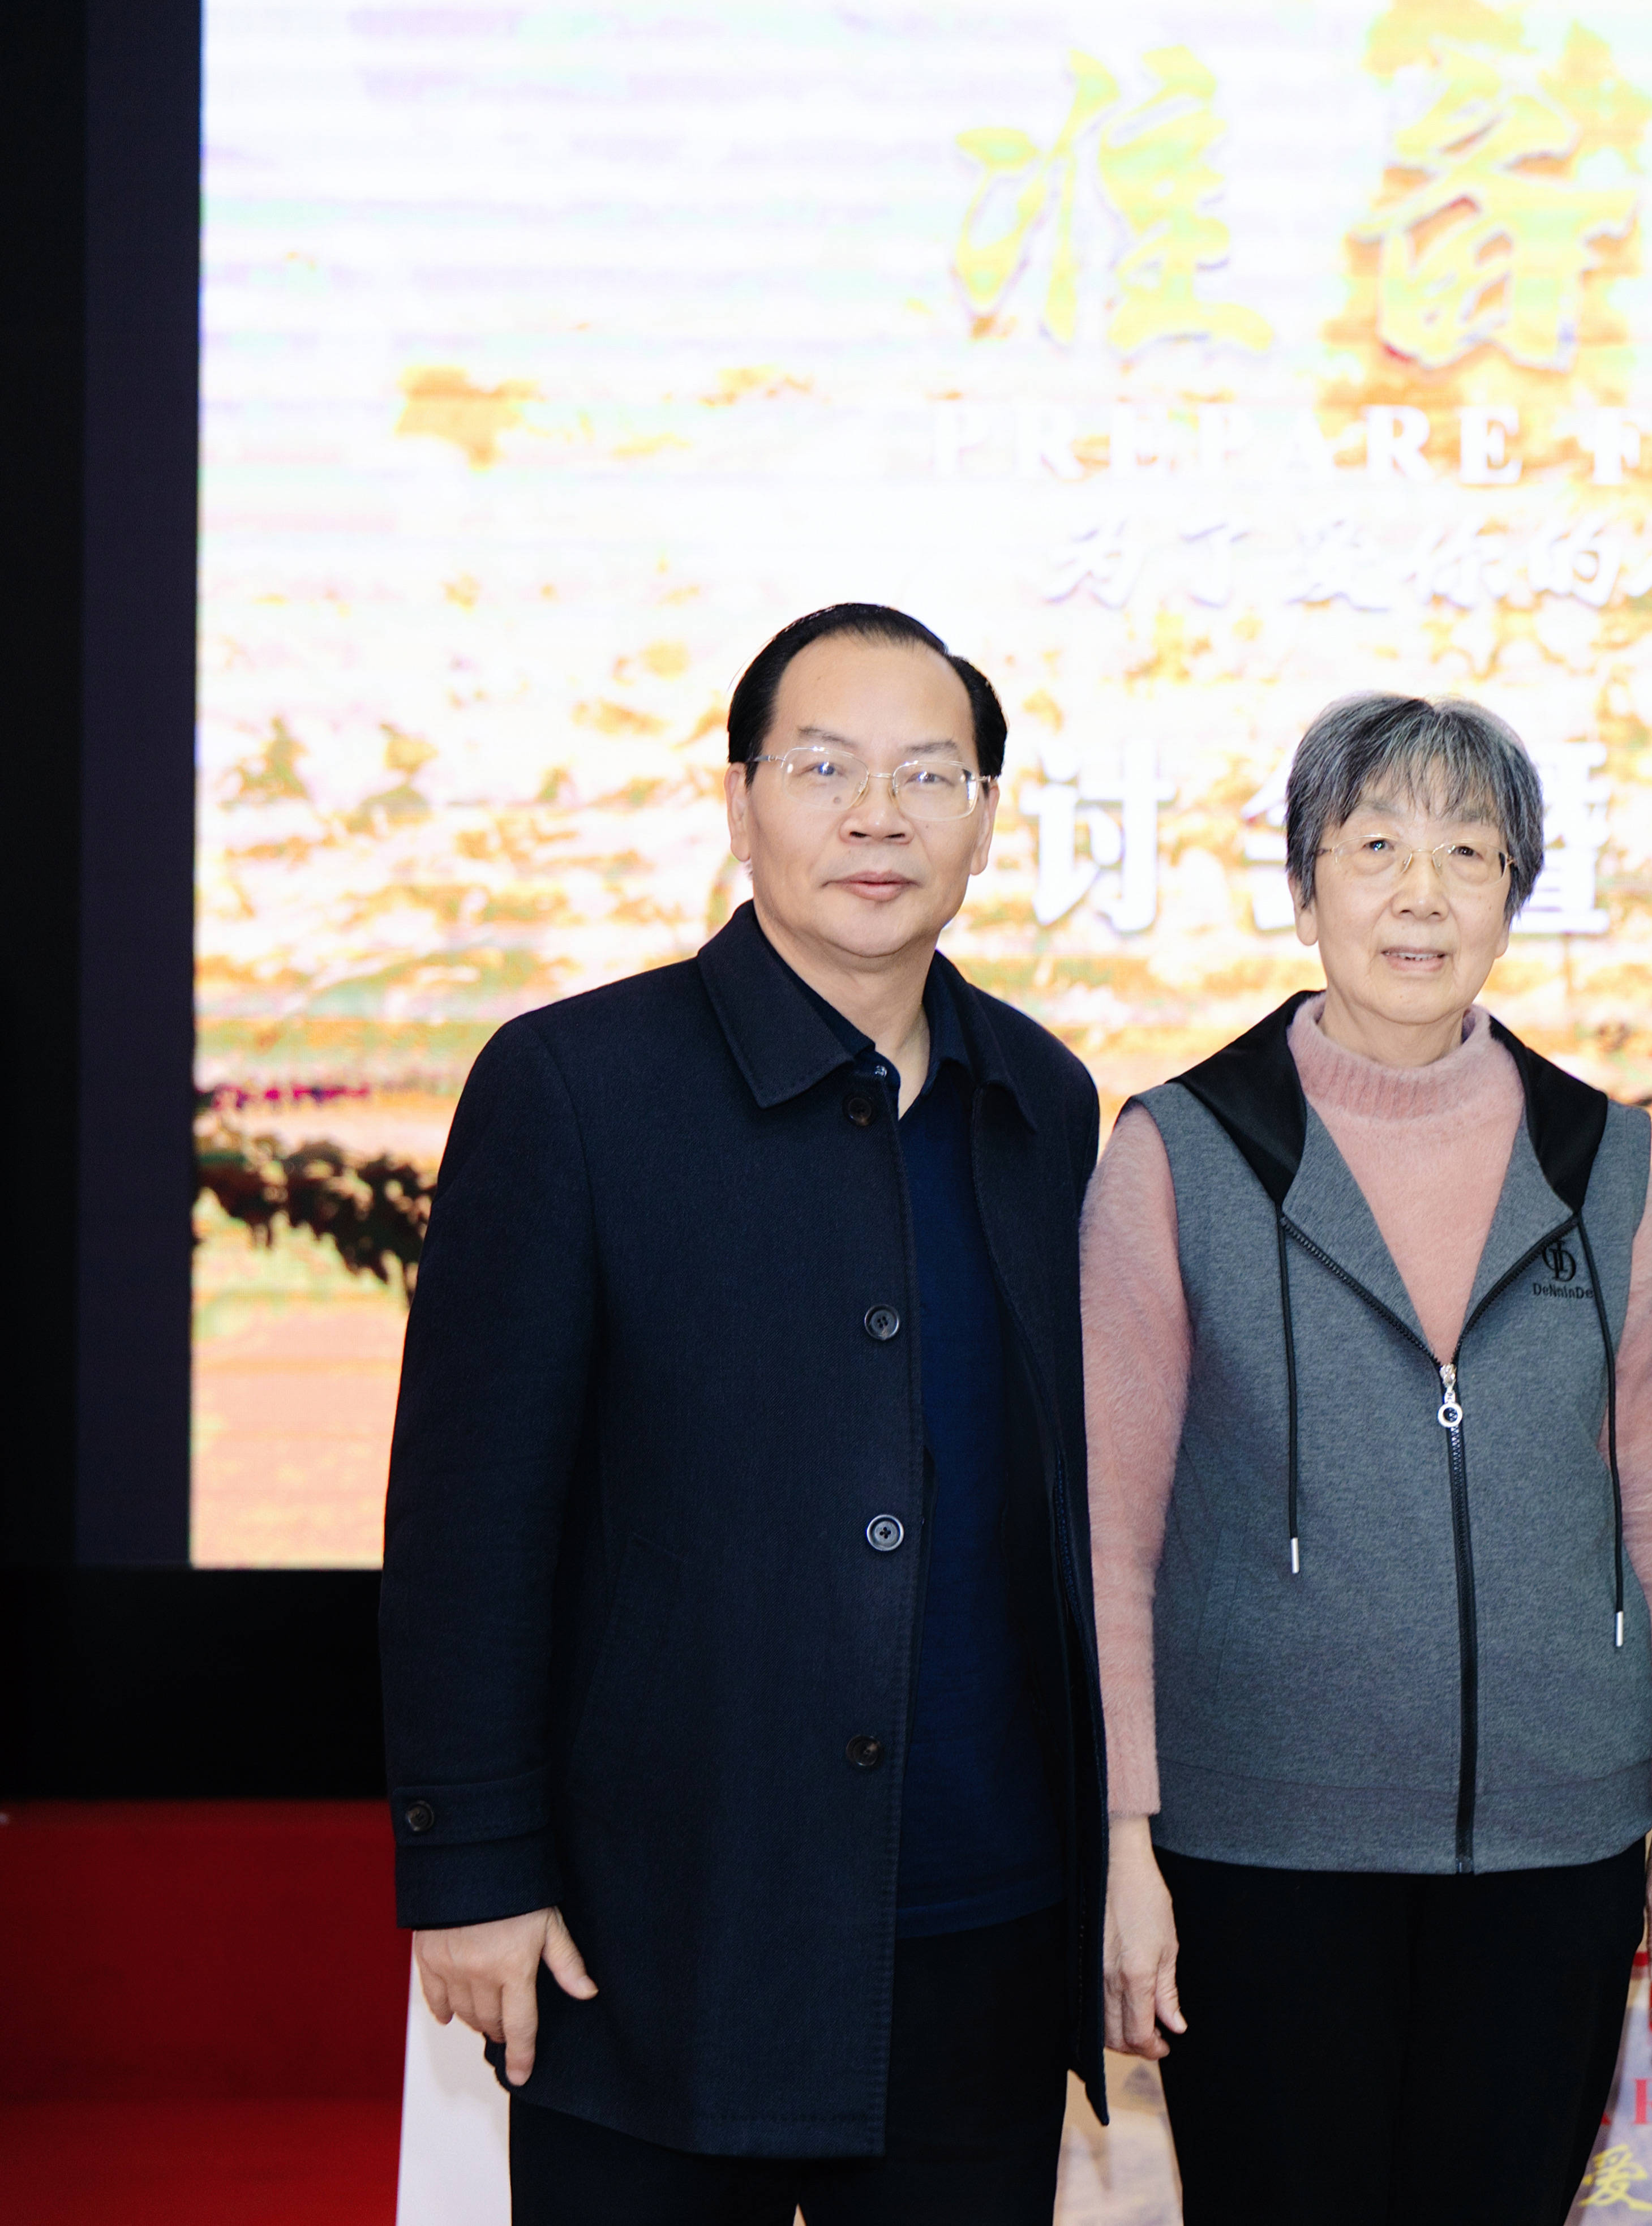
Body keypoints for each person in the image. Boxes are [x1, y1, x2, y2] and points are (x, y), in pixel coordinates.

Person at [381, 603, 1110, 2223]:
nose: (879, 816)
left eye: (930, 775)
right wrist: (474, 1866)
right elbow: (466, 1522)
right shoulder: (574, 1088)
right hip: (655, 1931)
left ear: (987, 818)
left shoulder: (1043, 1102)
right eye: (825, 767)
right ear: (738, 801)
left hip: (983, 1928)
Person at [1078, 693, 1652, 2225]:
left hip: (1556, 1848)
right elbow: (1108, 1532)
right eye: (1375, 849)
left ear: (1513, 896)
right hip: (1256, 1852)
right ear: (1305, 891)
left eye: (1468, 853)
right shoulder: (1180, 1152)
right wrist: (1121, 1843)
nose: (1422, 893)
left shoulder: (1604, 1160)